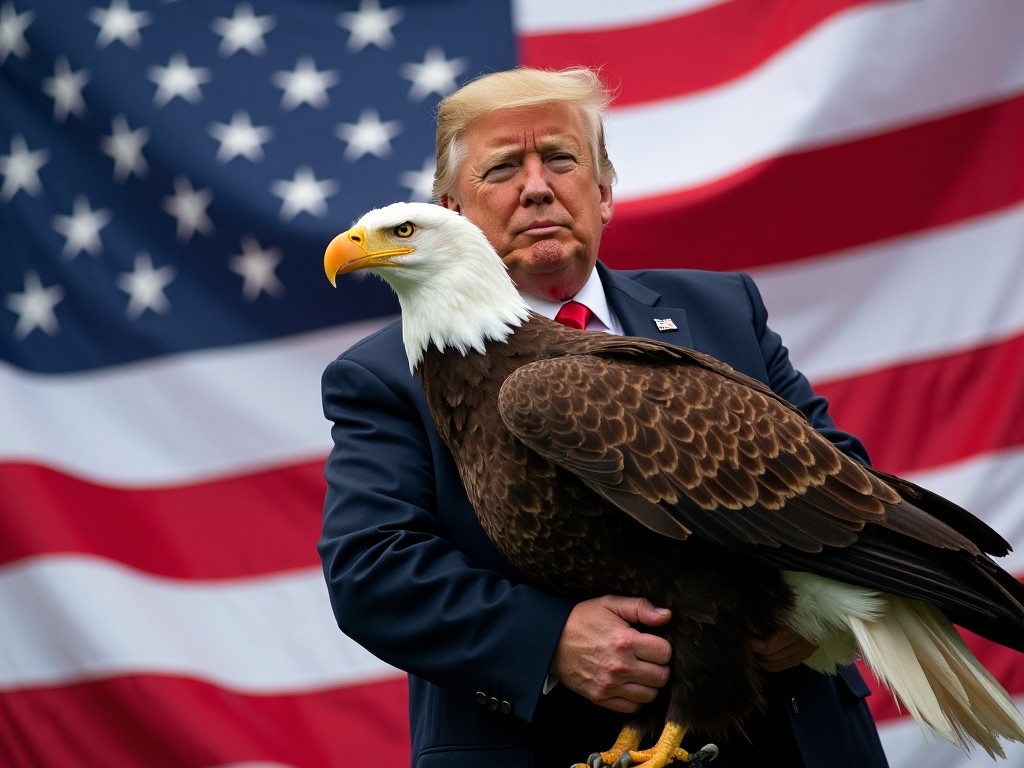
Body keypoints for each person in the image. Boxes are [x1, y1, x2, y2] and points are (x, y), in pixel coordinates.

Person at [318, 66, 890, 768]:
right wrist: (550, 640)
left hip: (790, 739)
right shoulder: (384, 375)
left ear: (605, 190)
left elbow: (848, 490)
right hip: (545, 745)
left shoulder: (721, 313)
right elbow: (374, 570)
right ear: (453, 209)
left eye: (560, 159)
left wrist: (810, 607)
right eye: (502, 169)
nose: (536, 187)